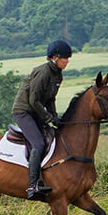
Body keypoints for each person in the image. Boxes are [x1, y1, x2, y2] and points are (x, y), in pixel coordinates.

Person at [11, 39, 72, 200]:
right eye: (65, 57)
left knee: (52, 137)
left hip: (36, 112)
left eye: (68, 58)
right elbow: (34, 100)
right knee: (38, 143)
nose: (67, 61)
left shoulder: (58, 74)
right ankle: (32, 185)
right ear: (54, 58)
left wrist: (55, 117)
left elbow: (50, 100)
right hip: (24, 112)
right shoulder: (44, 72)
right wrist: (48, 117)